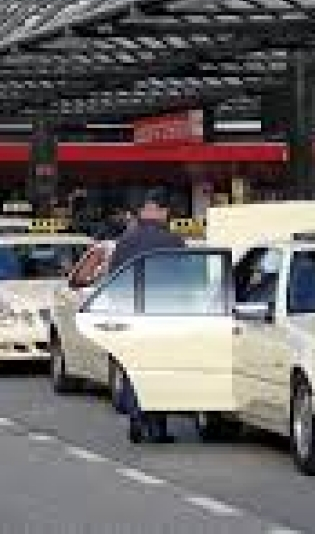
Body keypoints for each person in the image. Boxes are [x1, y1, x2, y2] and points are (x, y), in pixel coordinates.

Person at [108, 188, 186, 443]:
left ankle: (135, 417)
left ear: (144, 210)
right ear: (162, 211)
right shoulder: (174, 242)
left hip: (131, 316)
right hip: (163, 316)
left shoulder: (124, 242)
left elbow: (113, 281)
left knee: (133, 367)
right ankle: (157, 427)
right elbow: (185, 283)